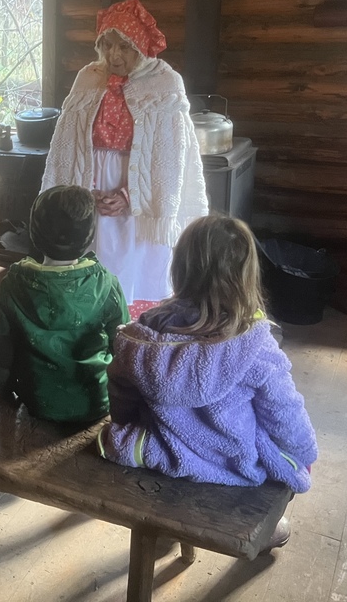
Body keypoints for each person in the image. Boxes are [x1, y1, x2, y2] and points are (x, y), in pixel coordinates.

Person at [100, 215, 318, 546]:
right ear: (246, 278)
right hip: (235, 464)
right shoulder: (255, 345)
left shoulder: (144, 333)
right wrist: (304, 453)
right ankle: (265, 529)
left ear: (180, 269)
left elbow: (120, 390)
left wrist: (128, 424)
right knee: (291, 462)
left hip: (162, 452)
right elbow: (285, 412)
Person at [40, 0, 209, 303]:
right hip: (92, 184)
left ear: (141, 47)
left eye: (124, 47)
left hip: (141, 193)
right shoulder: (88, 78)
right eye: (107, 45)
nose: (113, 55)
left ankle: (133, 326)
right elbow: (68, 146)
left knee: (137, 260)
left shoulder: (165, 83)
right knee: (95, 258)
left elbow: (170, 158)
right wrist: (82, 192)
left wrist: (129, 196)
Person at [0, 185, 129, 423]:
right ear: (90, 237)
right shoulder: (107, 283)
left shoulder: (14, 283)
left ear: (33, 233)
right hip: (96, 401)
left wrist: (2, 388)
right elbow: (122, 346)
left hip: (37, 400)